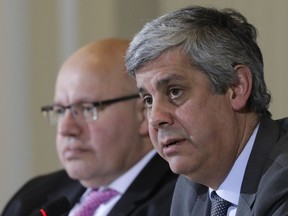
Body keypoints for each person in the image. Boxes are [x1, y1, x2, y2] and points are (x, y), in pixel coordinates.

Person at [125, 5, 288, 216]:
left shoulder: (281, 181)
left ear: (236, 87)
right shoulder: (191, 189)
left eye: (174, 91)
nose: (156, 118)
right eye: (148, 99)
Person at [2, 38, 177, 216]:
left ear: (143, 113)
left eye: (87, 109)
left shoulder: (181, 200)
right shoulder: (32, 198)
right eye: (60, 110)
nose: (66, 129)